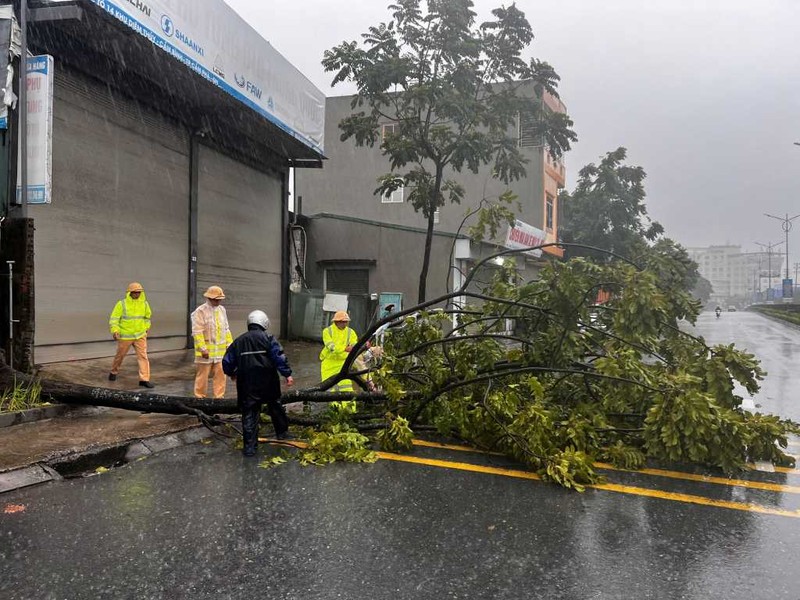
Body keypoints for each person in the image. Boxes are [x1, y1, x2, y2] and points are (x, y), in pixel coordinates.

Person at [222, 310, 294, 456]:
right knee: (275, 406)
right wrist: (287, 374)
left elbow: (227, 362)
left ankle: (250, 448)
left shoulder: (239, 341)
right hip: (269, 381)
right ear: (263, 323)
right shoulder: (268, 338)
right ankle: (282, 433)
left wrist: (232, 373)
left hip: (247, 384)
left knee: (250, 413)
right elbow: (279, 357)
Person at [108, 282, 154, 388]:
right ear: (130, 293)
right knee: (120, 356)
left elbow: (147, 318)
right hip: (125, 336)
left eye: (139, 292)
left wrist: (146, 328)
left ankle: (144, 379)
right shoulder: (121, 304)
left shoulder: (145, 304)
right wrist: (115, 330)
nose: (137, 294)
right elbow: (114, 319)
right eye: (135, 292)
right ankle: (113, 371)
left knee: (143, 357)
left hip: (140, 335)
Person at [191, 285, 233, 398]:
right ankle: (200, 397)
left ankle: (219, 397)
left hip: (220, 352)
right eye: (216, 299)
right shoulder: (200, 311)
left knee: (221, 375)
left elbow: (226, 329)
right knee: (202, 376)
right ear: (210, 298)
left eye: (220, 299)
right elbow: (197, 332)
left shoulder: (222, 310)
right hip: (205, 352)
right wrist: (203, 349)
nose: (218, 301)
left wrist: (230, 345)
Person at [320, 310, 359, 394]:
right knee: (329, 389)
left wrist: (355, 347)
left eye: (346, 321)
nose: (345, 324)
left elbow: (354, 344)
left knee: (346, 388)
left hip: (343, 363)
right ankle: (332, 403)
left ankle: (348, 402)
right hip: (329, 364)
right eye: (343, 322)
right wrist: (345, 349)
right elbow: (331, 347)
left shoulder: (350, 332)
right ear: (337, 322)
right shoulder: (327, 331)